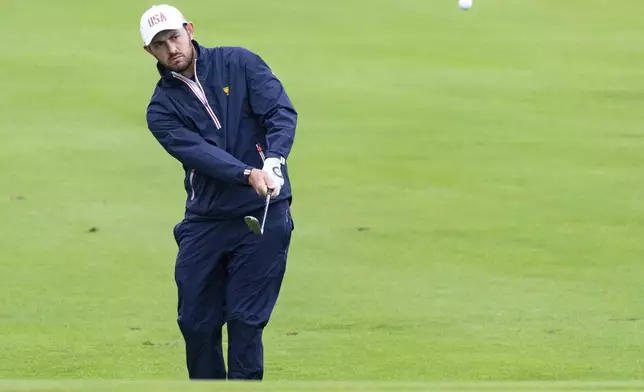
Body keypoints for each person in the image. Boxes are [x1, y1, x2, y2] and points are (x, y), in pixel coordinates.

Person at [139, 4, 297, 380]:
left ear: (189, 30)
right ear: (150, 52)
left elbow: (279, 111)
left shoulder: (239, 63)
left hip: (261, 213)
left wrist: (274, 159)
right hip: (206, 218)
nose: (171, 49)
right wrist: (246, 173)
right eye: (159, 44)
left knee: (245, 321)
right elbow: (201, 155)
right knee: (195, 323)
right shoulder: (160, 109)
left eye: (174, 37)